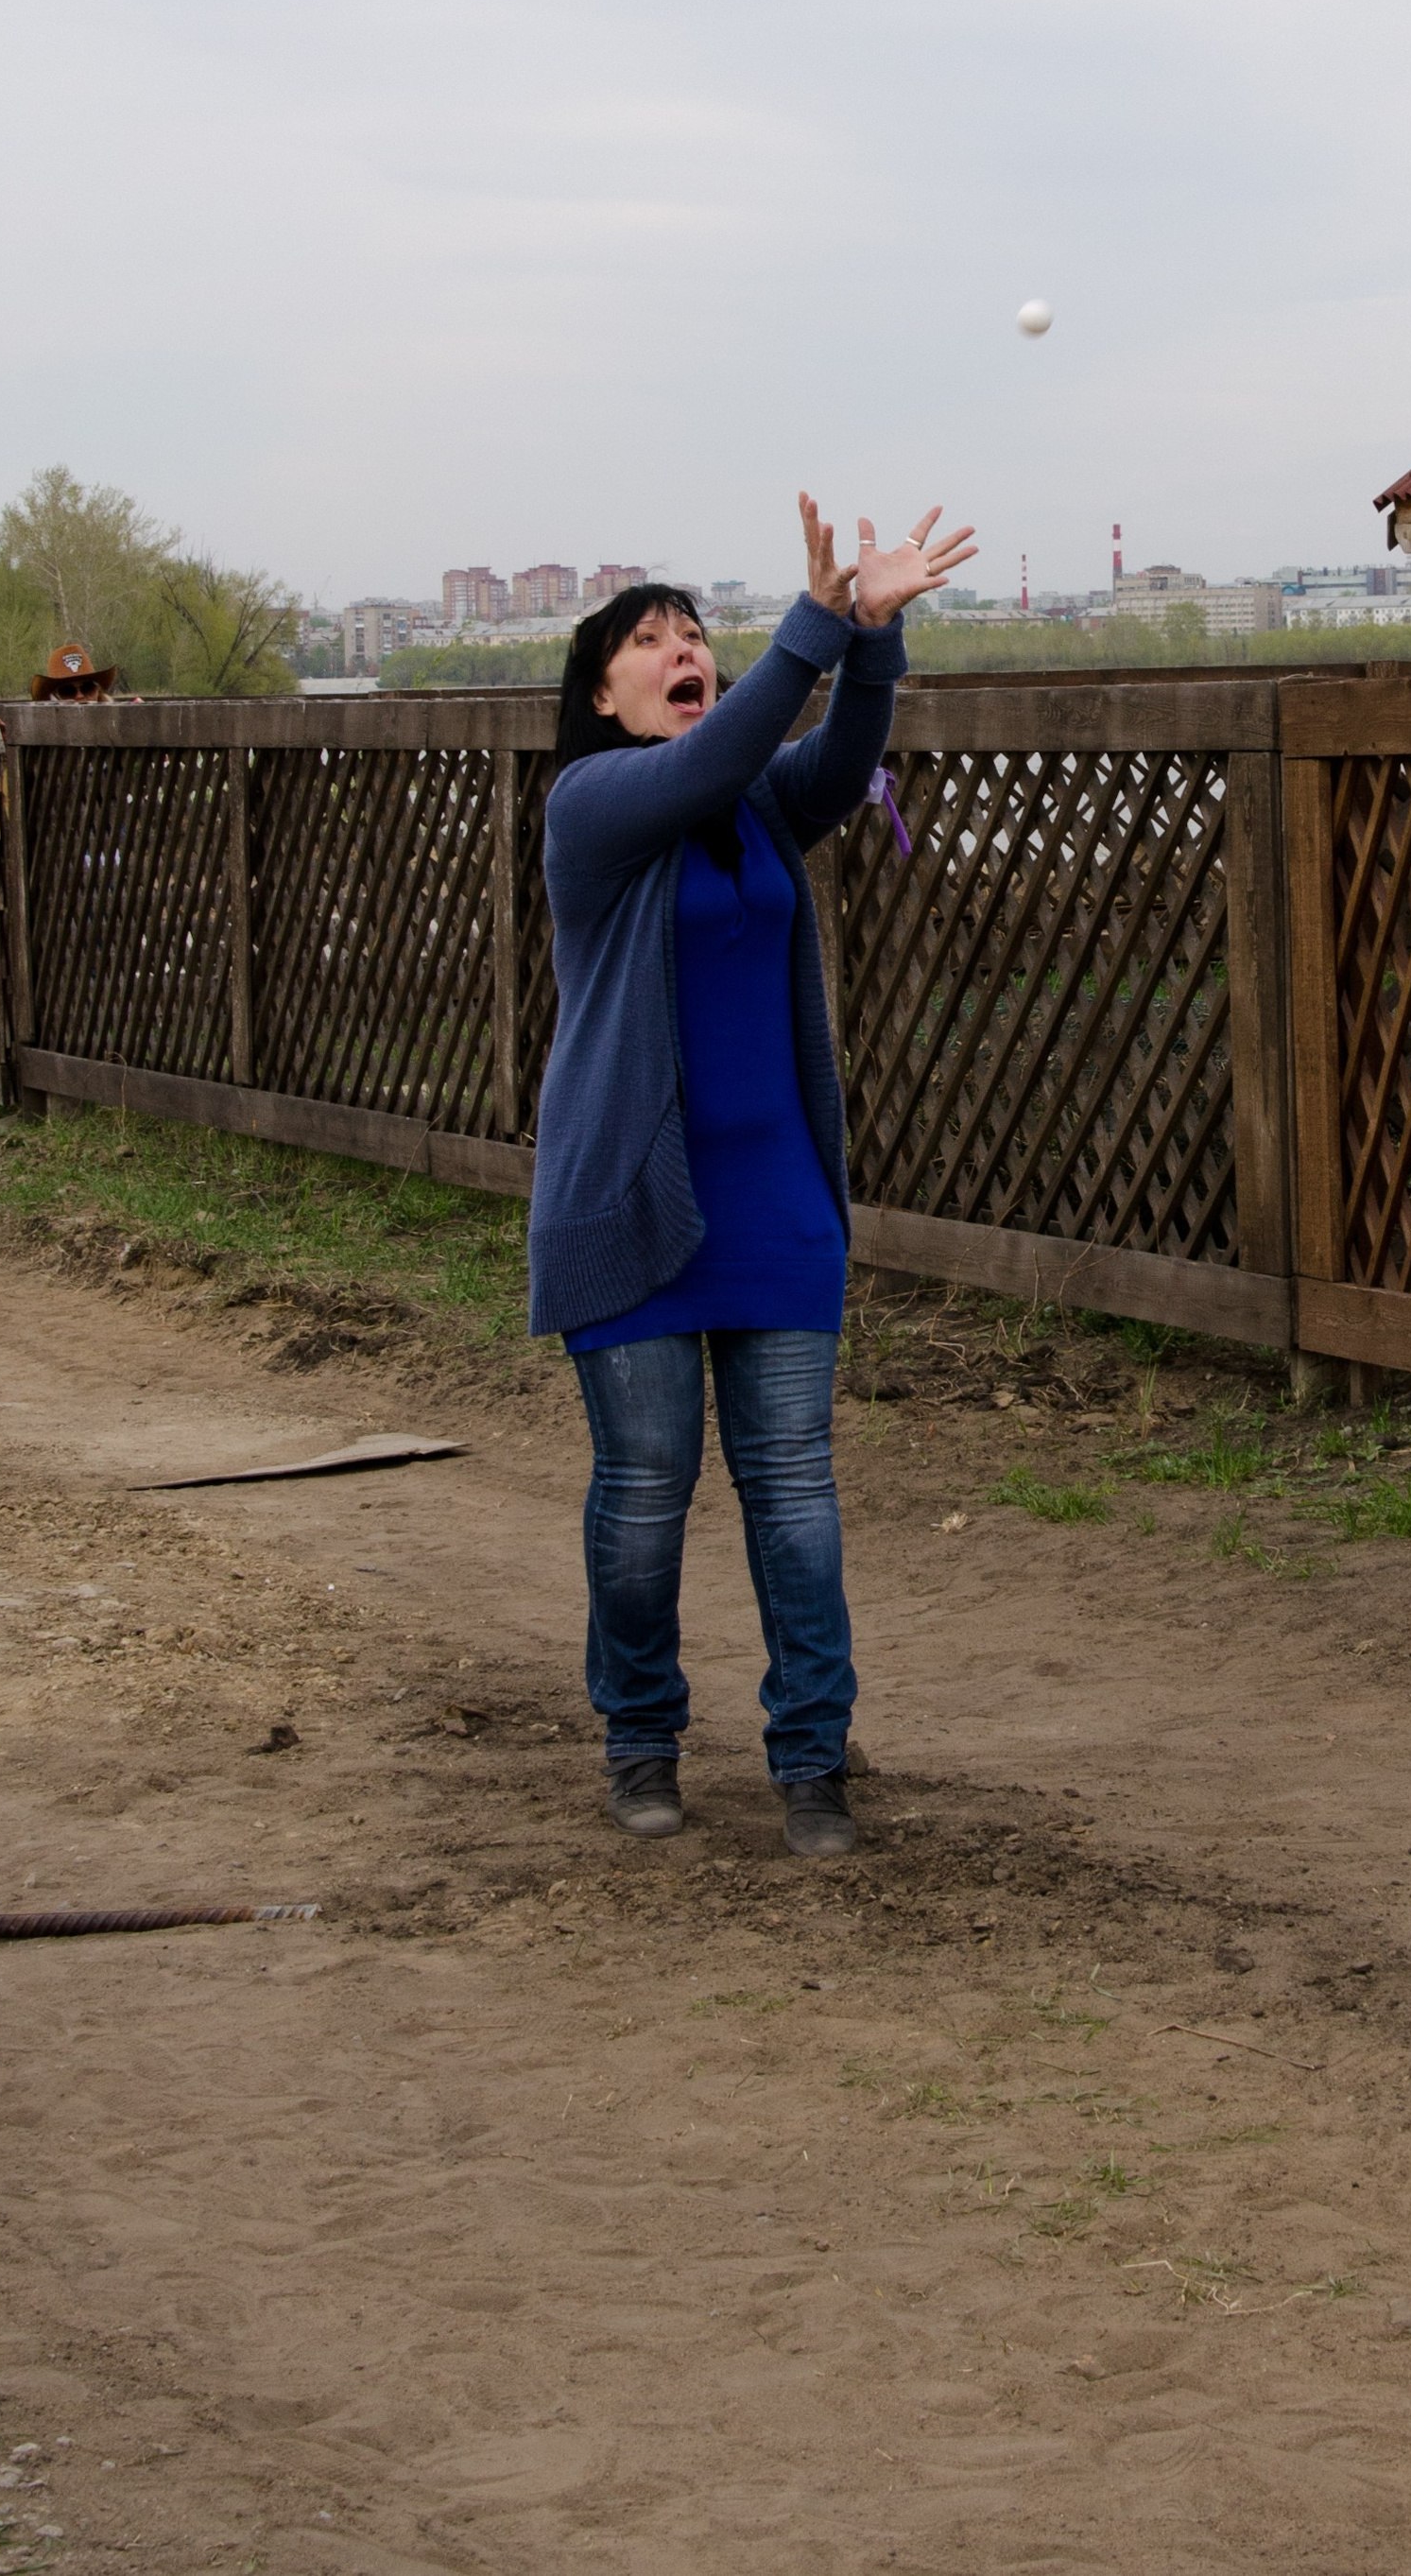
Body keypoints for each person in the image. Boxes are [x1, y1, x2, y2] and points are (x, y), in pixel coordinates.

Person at [529, 491, 975, 1857]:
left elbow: (833, 760)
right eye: (651, 640)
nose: (684, 649)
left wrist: (871, 639)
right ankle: (640, 1738)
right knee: (647, 1489)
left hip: (773, 1199)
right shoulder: (598, 806)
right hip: (632, 1201)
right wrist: (814, 626)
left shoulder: (756, 812)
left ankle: (811, 1761)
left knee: (792, 1487)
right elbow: (718, 754)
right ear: (604, 696)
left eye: (693, 634)